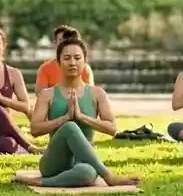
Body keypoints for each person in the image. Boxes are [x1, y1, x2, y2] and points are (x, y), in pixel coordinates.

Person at [14, 36, 140, 188]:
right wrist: (65, 119)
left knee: (87, 173)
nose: (72, 62)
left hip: (84, 160)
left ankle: (40, 182)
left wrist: (82, 117)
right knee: (70, 127)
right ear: (59, 62)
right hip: (54, 162)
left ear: (85, 62)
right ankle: (109, 177)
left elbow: (112, 129)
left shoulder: (97, 93)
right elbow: (35, 130)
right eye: (67, 58)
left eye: (77, 58)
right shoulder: (47, 94)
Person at [35, 26, 94, 95]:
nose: (65, 44)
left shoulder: (85, 68)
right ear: (55, 43)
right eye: (61, 40)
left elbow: (90, 95)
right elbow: (40, 94)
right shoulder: (45, 68)